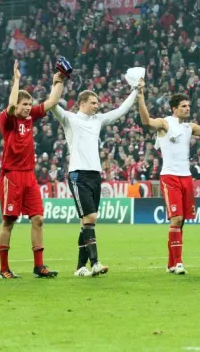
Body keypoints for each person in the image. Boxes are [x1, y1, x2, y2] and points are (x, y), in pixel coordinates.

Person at [50, 70, 139, 278]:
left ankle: (80, 267)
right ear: (82, 103)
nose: (97, 106)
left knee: (87, 222)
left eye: (97, 103)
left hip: (95, 175)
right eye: (93, 102)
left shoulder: (97, 120)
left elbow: (121, 111)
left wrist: (135, 90)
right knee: (90, 217)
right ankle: (95, 263)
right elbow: (52, 104)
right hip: (77, 174)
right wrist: (57, 83)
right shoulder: (70, 119)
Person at [137, 79, 200, 275]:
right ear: (174, 109)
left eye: (188, 106)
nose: (187, 109)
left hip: (186, 177)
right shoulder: (166, 123)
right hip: (170, 177)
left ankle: (171, 264)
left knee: (181, 222)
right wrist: (140, 98)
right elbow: (147, 121)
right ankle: (179, 263)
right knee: (177, 218)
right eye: (183, 106)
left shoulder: (189, 127)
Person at [0, 61, 65, 279]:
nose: (27, 107)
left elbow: (53, 101)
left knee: (38, 219)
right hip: (12, 176)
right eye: (24, 104)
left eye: (29, 104)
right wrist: (16, 80)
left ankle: (39, 266)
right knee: (9, 221)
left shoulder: (31, 117)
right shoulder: (7, 120)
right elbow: (9, 107)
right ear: (16, 104)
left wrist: (59, 81)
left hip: (29, 176)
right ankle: (4, 269)